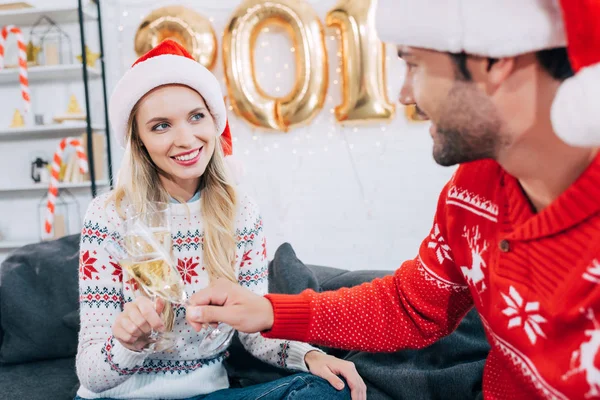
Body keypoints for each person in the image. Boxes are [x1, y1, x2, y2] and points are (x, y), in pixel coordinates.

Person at [185, 1, 600, 399]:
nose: (404, 94)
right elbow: (411, 306)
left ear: (492, 60)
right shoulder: (473, 187)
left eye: (414, 65)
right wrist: (272, 311)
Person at [75, 39, 366, 400]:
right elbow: (90, 372)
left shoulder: (240, 212)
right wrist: (127, 344)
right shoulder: (108, 216)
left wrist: (308, 355)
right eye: (161, 126)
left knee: (325, 391)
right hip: (117, 398)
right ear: (139, 141)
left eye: (196, 117)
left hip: (209, 395)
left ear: (214, 121)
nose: (186, 139)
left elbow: (254, 330)